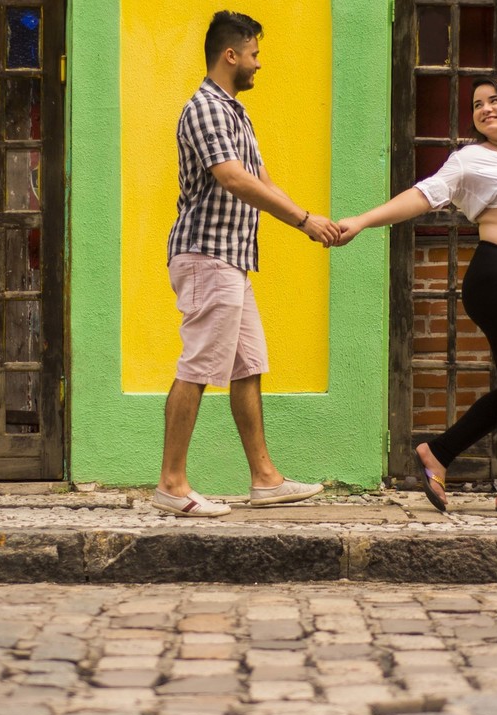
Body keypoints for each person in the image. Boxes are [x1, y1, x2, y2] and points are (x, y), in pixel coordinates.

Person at [336, 77, 497, 513]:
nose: (485, 109)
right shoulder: (470, 159)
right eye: (477, 104)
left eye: (494, 100)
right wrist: (362, 221)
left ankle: (440, 453)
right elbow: (423, 195)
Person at [153, 11, 340, 518]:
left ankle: (265, 479)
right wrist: (305, 220)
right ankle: (171, 484)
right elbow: (233, 178)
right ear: (230, 55)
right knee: (198, 366)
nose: (259, 63)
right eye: (254, 54)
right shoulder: (205, 108)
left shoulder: (234, 112)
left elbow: (262, 180)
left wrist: (312, 222)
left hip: (231, 258)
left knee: (247, 366)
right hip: (207, 255)